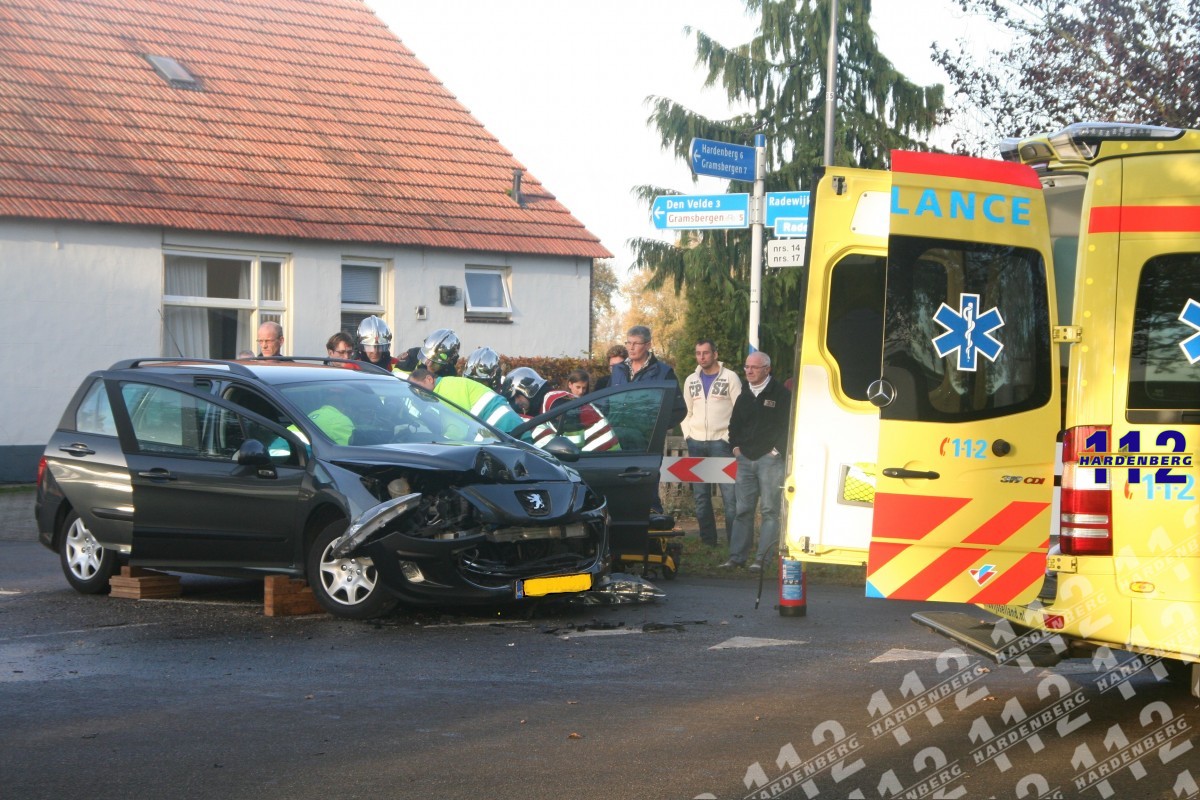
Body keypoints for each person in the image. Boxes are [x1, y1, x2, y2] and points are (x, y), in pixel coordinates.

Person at [723, 351, 791, 572]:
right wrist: (736, 448)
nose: (749, 371)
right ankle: (736, 558)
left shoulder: (781, 395)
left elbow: (787, 426)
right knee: (742, 510)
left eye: (754, 367)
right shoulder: (744, 395)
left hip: (770, 461)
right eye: (746, 367)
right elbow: (734, 426)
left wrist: (775, 451)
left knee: (770, 510)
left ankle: (762, 560)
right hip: (745, 460)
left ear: (767, 369)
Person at [682, 339, 741, 547]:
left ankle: (734, 542)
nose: (701, 357)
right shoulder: (691, 380)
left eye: (705, 353)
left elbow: (740, 410)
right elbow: (685, 411)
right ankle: (708, 542)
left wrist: (728, 437)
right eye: (698, 353)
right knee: (700, 498)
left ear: (715, 354)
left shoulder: (730, 377)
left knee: (730, 497)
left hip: (721, 443)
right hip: (697, 442)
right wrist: (688, 434)